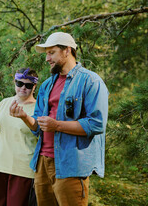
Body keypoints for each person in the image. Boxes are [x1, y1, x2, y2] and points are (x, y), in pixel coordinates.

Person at [9, 32, 109, 206]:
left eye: (51, 52)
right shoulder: (47, 84)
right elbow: (38, 127)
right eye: (46, 53)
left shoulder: (91, 81)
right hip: (42, 163)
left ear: (67, 51)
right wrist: (24, 117)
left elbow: (96, 124)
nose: (47, 58)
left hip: (70, 165)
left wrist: (56, 125)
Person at [0, 67, 39, 206]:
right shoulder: (4, 103)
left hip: (24, 169)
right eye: (19, 84)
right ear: (15, 83)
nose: (23, 88)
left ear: (34, 86)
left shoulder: (38, 107)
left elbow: (42, 133)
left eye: (28, 85)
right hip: (1, 165)